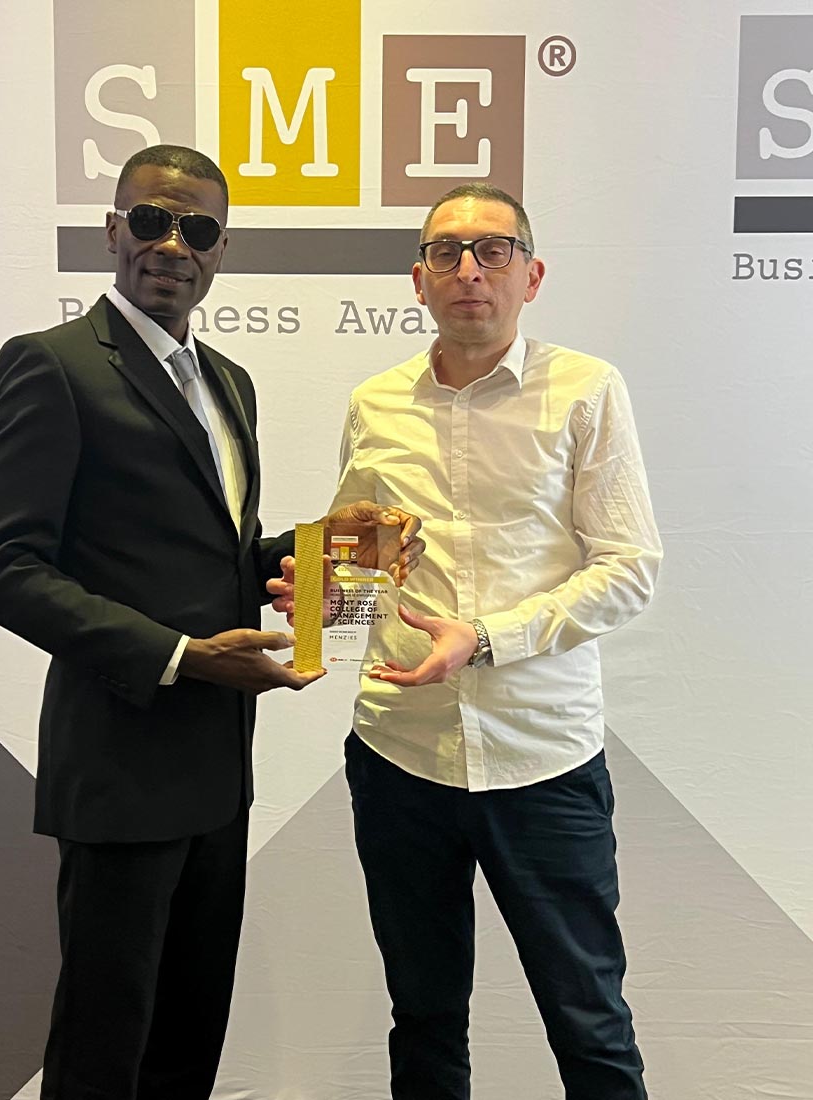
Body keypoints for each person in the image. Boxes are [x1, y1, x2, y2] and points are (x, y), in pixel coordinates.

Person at [0, 144, 421, 1100]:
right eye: (151, 221)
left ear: (221, 252)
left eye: (198, 230)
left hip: (219, 767)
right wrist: (178, 656)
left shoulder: (230, 381)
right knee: (104, 1046)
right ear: (111, 231)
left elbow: (225, 554)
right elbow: (0, 569)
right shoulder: (51, 367)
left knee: (187, 1041)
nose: (172, 245)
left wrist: (337, 556)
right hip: (120, 767)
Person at [288, 183, 662, 1099]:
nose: (470, 272)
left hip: (544, 756)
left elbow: (629, 569)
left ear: (531, 276)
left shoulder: (586, 390)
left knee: (590, 1023)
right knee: (422, 1020)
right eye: (448, 254)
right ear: (417, 281)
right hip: (401, 755)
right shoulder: (375, 401)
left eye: (493, 252)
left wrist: (485, 638)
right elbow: (358, 550)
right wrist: (313, 611)